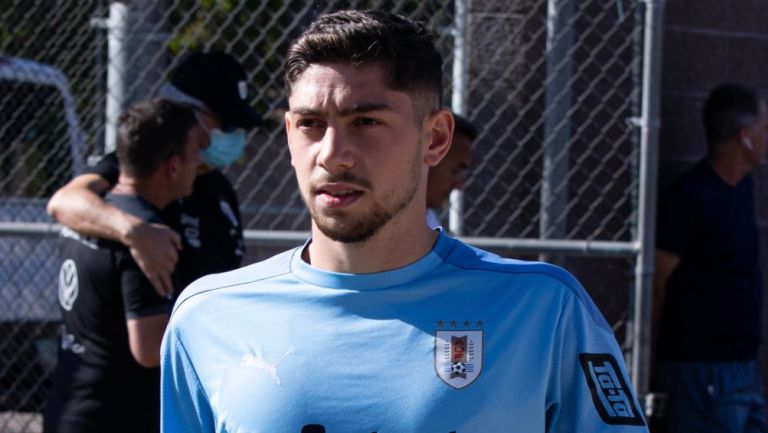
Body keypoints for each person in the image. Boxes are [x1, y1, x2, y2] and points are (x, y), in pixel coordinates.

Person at [161, 10, 648, 433]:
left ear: (435, 138)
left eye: (366, 123)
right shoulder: (208, 318)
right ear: (290, 134)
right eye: (311, 124)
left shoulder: (543, 311)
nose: (333, 156)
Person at [43, 99, 205, 433]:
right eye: (194, 155)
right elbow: (147, 348)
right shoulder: (149, 237)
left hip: (69, 405)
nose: (199, 163)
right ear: (173, 166)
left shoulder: (93, 215)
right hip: (112, 417)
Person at [46, 51, 261, 295]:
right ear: (188, 115)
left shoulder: (220, 189)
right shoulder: (138, 166)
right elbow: (64, 201)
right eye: (227, 125)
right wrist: (133, 232)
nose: (236, 136)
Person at [654, 82, 768, 432]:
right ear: (744, 136)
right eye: (764, 128)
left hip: (742, 367)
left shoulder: (743, 188)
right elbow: (659, 279)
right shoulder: (692, 195)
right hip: (701, 371)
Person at [425, 113, 476, 229]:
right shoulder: (380, 222)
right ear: (430, 150)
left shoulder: (428, 222)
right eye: (455, 171)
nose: (459, 185)